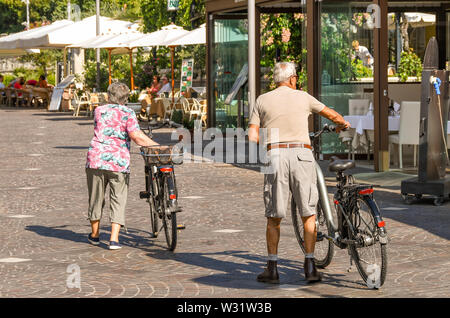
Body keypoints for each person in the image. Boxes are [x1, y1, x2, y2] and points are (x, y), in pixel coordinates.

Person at [248, 62, 350, 284]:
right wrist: (342, 124)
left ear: (275, 80)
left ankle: (272, 269)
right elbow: (332, 115)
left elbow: (253, 135)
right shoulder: (304, 97)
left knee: (273, 216)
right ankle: (310, 266)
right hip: (302, 155)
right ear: (292, 79)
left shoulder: (262, 100)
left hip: (274, 156)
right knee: (308, 213)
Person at [85, 82, 159, 250]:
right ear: (125, 98)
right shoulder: (128, 113)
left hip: (96, 159)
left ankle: (95, 235)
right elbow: (136, 136)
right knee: (118, 199)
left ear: (108, 96)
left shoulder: (98, 110)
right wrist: (156, 146)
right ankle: (114, 239)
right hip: (118, 161)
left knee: (96, 197)